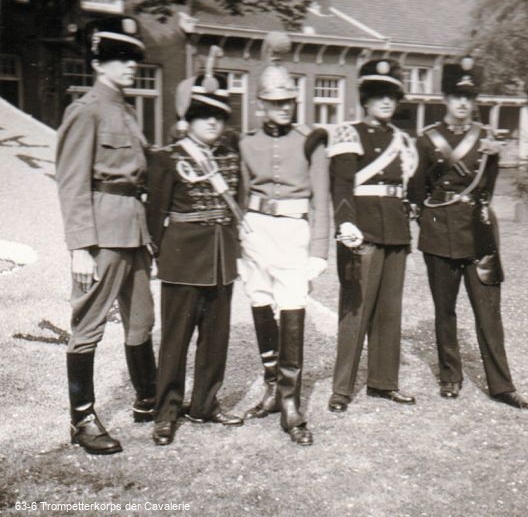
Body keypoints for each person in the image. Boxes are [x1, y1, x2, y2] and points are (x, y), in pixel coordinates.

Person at [408, 59, 528, 410]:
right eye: (456, 96)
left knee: (488, 312)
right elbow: (417, 192)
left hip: (479, 234)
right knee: (444, 310)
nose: (463, 103)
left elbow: (487, 190)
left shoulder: (486, 139)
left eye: (468, 97)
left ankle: (502, 384)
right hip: (438, 233)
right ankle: (450, 376)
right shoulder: (427, 140)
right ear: (445, 99)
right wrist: (434, 222)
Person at [55, 17, 156, 455]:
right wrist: (80, 246)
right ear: (98, 62)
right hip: (102, 235)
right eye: (120, 57)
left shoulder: (127, 112)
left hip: (135, 230)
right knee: (89, 324)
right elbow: (72, 181)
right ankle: (82, 419)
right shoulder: (86, 110)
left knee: (142, 319)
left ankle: (148, 399)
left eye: (133, 57)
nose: (131, 65)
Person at [146, 57, 244, 446]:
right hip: (182, 261)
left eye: (218, 116)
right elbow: (155, 215)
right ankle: (166, 412)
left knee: (216, 339)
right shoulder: (167, 157)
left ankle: (204, 404)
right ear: (189, 119)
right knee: (175, 340)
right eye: (204, 115)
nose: (213, 123)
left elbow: (237, 207)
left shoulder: (231, 156)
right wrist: (159, 258)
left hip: (221, 261)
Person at [239, 32, 330, 446]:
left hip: (294, 232)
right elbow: (241, 195)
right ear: (261, 104)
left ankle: (291, 402)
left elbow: (322, 201)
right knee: (260, 303)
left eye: (288, 102)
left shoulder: (311, 141)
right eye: (275, 102)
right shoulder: (247, 143)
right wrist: (240, 238)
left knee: (292, 308)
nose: (283, 108)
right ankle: (272, 388)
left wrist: (318, 251)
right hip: (256, 231)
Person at [324, 58, 419, 414]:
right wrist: (345, 223)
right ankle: (342, 388)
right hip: (361, 230)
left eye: (391, 96)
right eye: (378, 95)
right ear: (365, 99)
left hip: (396, 228)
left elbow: (410, 186)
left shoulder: (402, 140)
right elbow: (342, 184)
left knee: (389, 310)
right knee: (355, 310)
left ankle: (384, 381)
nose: (386, 102)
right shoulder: (349, 133)